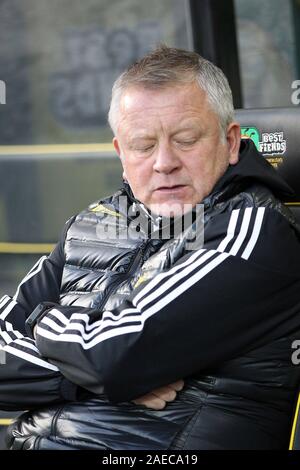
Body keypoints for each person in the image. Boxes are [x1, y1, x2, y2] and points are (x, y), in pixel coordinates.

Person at [1, 45, 300, 450]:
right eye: (143, 145)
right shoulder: (93, 223)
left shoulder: (252, 230)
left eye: (186, 139)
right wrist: (84, 377)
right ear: (121, 155)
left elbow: (114, 355)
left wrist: (41, 321)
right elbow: (106, 368)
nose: (164, 162)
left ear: (231, 143)